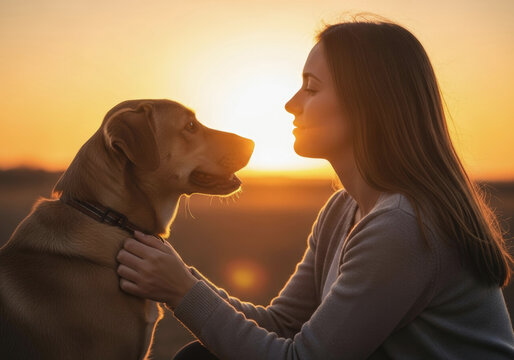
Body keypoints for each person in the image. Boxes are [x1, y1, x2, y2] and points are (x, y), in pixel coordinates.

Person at [115, 14, 514, 360]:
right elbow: (284, 323)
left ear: (367, 104)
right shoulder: (344, 208)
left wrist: (181, 290)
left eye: (311, 86)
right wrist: (179, 276)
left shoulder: (401, 225)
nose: (291, 103)